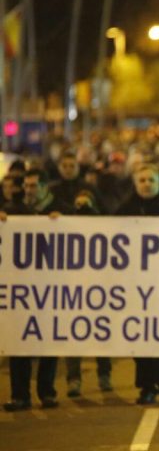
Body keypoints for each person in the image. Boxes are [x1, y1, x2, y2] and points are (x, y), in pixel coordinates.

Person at [115, 163, 159, 405]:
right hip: (137, 286)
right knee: (142, 339)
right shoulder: (125, 210)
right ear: (135, 184)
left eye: (151, 180)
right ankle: (146, 386)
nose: (147, 184)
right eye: (142, 180)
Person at [2, 168, 73, 411]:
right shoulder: (13, 210)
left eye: (34, 186)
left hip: (51, 286)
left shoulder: (61, 208)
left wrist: (63, 221)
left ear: (45, 187)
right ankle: (20, 395)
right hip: (21, 287)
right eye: (27, 186)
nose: (30, 191)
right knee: (19, 342)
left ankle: (47, 393)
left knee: (47, 342)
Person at [65, 190, 113, 398]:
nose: (82, 208)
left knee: (102, 336)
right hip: (73, 291)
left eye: (86, 204)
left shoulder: (102, 228)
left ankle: (104, 375)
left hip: (99, 290)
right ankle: (73, 379)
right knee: (73, 338)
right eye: (78, 204)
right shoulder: (67, 228)